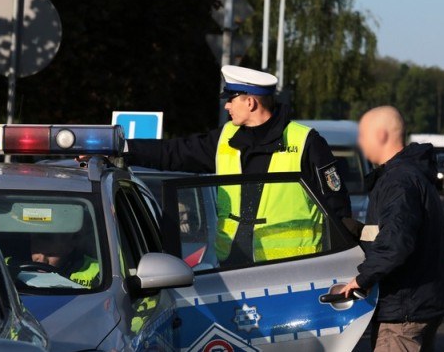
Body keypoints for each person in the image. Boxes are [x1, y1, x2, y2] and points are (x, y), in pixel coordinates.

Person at [125, 65, 351, 266]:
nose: (227, 106)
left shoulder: (306, 142)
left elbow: (337, 209)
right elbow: (173, 153)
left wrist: (338, 266)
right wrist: (123, 148)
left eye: (231, 99)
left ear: (250, 102)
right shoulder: (226, 139)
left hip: (292, 268)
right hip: (234, 265)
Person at [340, 106, 444, 352]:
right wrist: (359, 233)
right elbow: (394, 231)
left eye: (363, 134)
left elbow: (396, 243)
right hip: (416, 303)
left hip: (404, 311)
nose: (360, 141)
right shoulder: (407, 175)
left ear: (381, 135)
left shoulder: (398, 180)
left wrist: (362, 279)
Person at [28, 232, 100, 288]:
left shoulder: (99, 272)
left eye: (50, 254)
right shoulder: (18, 268)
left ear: (69, 247)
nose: (42, 261)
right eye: (36, 251)